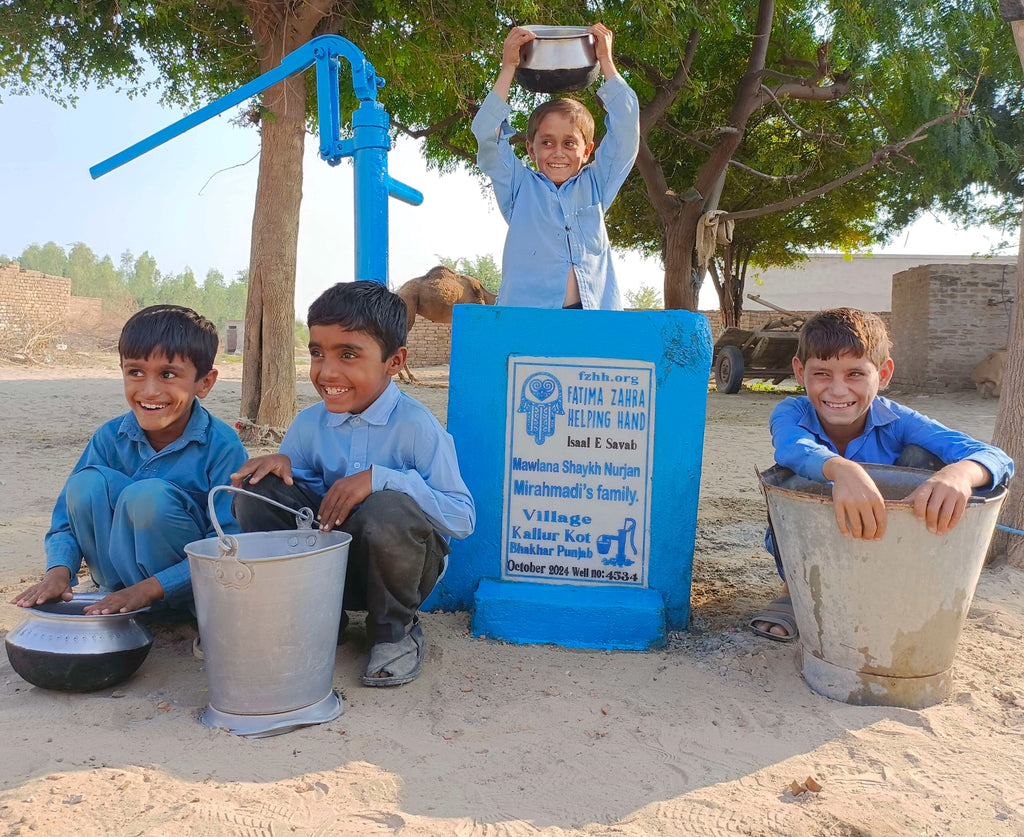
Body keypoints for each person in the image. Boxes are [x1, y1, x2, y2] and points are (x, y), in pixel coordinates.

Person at [230, 281, 475, 686]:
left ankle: (393, 633)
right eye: (316, 353)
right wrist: (280, 465)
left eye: (348, 355)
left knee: (388, 505)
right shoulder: (309, 424)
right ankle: (315, 618)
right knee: (257, 487)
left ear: (394, 362)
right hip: (327, 575)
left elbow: (463, 519)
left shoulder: (416, 427)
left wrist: (385, 479)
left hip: (401, 576)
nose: (327, 372)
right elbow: (295, 497)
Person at [750, 308, 1014, 641]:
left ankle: (893, 595)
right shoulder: (792, 411)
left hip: (888, 548)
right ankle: (796, 592)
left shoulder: (900, 420)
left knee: (924, 458)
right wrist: (842, 469)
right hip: (812, 549)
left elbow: (996, 458)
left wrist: (959, 474)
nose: (837, 390)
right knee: (788, 475)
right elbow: (792, 447)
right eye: (822, 374)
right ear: (800, 372)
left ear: (884, 374)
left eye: (855, 374)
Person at [12, 305, 247, 616]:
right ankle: (113, 593)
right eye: (135, 372)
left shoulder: (222, 446)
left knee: (146, 497)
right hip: (113, 595)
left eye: (168, 374)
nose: (149, 391)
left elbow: (229, 545)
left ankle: (160, 607)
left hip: (182, 594)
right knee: (85, 483)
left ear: (204, 383)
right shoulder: (109, 437)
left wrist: (149, 589)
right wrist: (58, 572)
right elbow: (64, 524)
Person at [471, 23, 639, 310]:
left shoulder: (596, 185)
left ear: (587, 151)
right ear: (530, 148)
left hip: (592, 322)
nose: (558, 152)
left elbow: (625, 131)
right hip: (529, 322)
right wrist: (508, 66)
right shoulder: (519, 187)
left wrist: (606, 62)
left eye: (569, 144)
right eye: (547, 142)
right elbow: (487, 132)